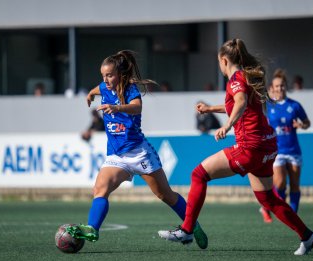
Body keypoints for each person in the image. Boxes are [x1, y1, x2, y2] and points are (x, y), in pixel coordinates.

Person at [158, 38, 313, 255]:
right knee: (268, 198)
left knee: (198, 174)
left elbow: (241, 102)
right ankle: (308, 236)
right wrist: (210, 109)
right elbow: (238, 104)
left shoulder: (235, 79)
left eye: (219, 62)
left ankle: (187, 229)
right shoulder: (247, 76)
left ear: (224, 60)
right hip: (267, 145)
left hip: (250, 146)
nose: (219, 66)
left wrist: (227, 126)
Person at [67, 50, 208, 249]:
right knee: (100, 189)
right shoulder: (104, 87)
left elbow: (137, 107)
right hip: (117, 156)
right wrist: (90, 94)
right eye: (103, 76)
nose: (106, 80)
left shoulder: (130, 88)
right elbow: (96, 89)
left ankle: (193, 225)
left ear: (120, 75)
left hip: (139, 153)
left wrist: (117, 108)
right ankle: (92, 229)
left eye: (109, 75)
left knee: (164, 194)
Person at [259, 69, 311, 224]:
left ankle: (292, 216)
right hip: (277, 151)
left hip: (294, 150)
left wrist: (301, 125)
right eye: (277, 86)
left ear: (285, 87)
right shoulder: (268, 106)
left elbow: (307, 122)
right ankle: (274, 208)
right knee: (280, 182)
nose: (280, 88)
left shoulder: (295, 106)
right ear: (272, 88)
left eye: (282, 85)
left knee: (295, 186)